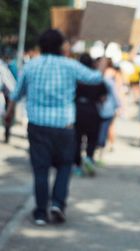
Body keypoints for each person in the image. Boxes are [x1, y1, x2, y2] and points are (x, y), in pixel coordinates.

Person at [3, 29, 103, 226]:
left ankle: (40, 213)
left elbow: (16, 94)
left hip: (37, 126)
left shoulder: (31, 65)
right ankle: (57, 204)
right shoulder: (69, 65)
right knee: (64, 167)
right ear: (60, 46)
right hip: (64, 127)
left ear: (41, 45)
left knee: (40, 170)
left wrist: (8, 114)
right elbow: (95, 78)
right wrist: (103, 65)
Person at [73, 53, 107, 177]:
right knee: (92, 139)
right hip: (93, 111)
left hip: (77, 110)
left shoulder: (76, 78)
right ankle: (88, 158)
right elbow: (103, 98)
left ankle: (77, 166)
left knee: (77, 140)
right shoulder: (96, 79)